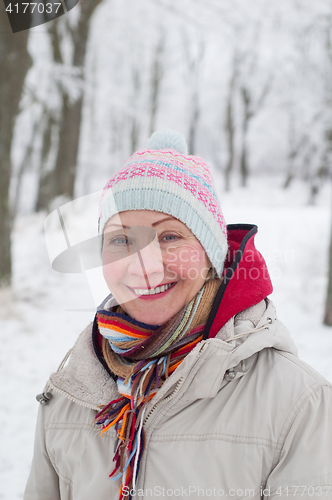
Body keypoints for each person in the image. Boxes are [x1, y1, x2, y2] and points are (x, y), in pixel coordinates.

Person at [24, 130, 332, 500]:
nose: (145, 266)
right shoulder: (70, 392)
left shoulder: (297, 403)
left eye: (169, 237)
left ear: (210, 255)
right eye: (122, 240)